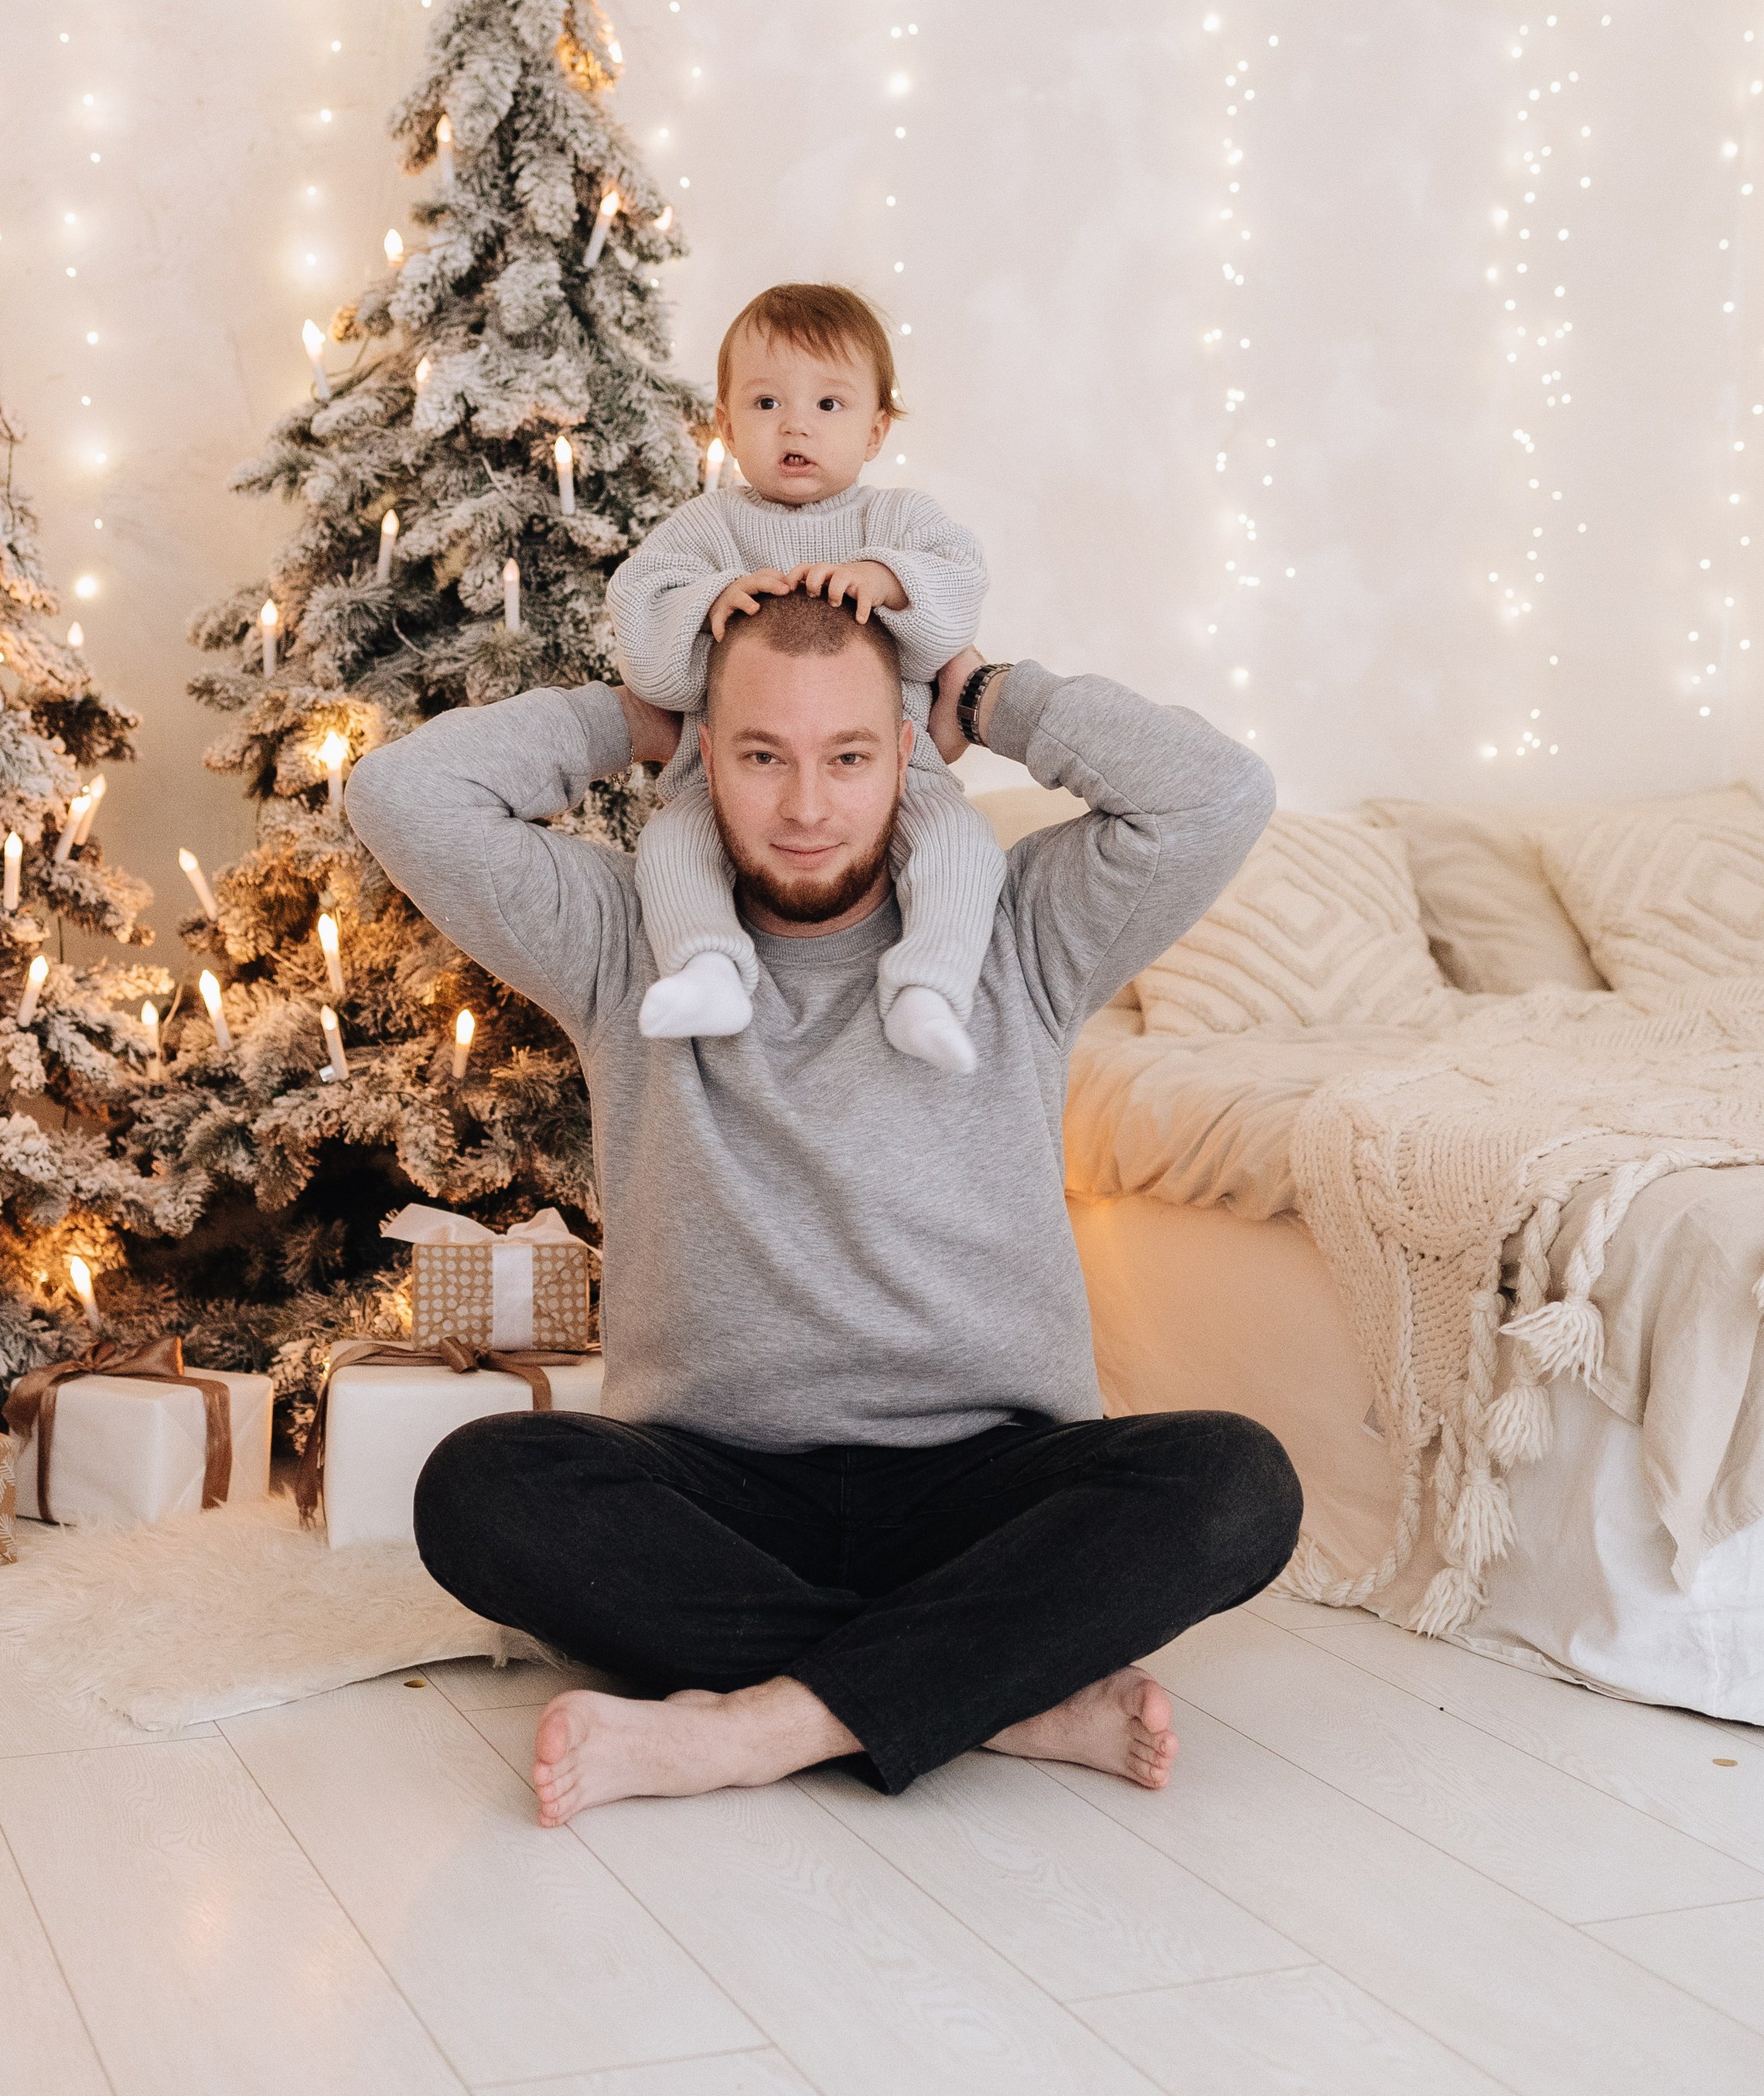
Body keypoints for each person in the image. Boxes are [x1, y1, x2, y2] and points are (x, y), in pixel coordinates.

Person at [345, 588, 1302, 1829]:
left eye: (848, 756)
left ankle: (763, 1724)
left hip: (989, 1485)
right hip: (718, 1489)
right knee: (480, 1487)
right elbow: (400, 795)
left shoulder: (1019, 928)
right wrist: (633, 712)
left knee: (1237, 1480)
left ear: (904, 755)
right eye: (761, 754)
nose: (806, 807)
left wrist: (987, 693)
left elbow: (1219, 794)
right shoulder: (626, 939)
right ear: (706, 757)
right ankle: (987, 1693)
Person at [607, 281, 1006, 1076]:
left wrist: (889, 581)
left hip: (895, 767)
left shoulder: (897, 522)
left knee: (961, 845)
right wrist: (706, 601)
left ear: (874, 430)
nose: (794, 424)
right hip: (725, 776)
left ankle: (928, 986)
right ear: (723, 424)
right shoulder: (706, 528)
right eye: (764, 403)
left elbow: (960, 589)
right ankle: (709, 967)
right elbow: (642, 641)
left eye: (828, 404)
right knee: (672, 845)